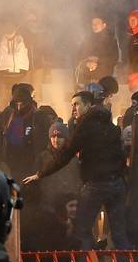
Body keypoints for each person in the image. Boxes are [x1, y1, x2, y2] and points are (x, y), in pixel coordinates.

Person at [25, 91, 129, 250]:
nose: (73, 108)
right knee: (119, 232)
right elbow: (120, 155)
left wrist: (40, 174)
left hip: (96, 184)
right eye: (72, 104)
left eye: (77, 104)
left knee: (81, 229)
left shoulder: (86, 125)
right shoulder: (111, 126)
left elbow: (66, 153)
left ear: (88, 105)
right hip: (116, 183)